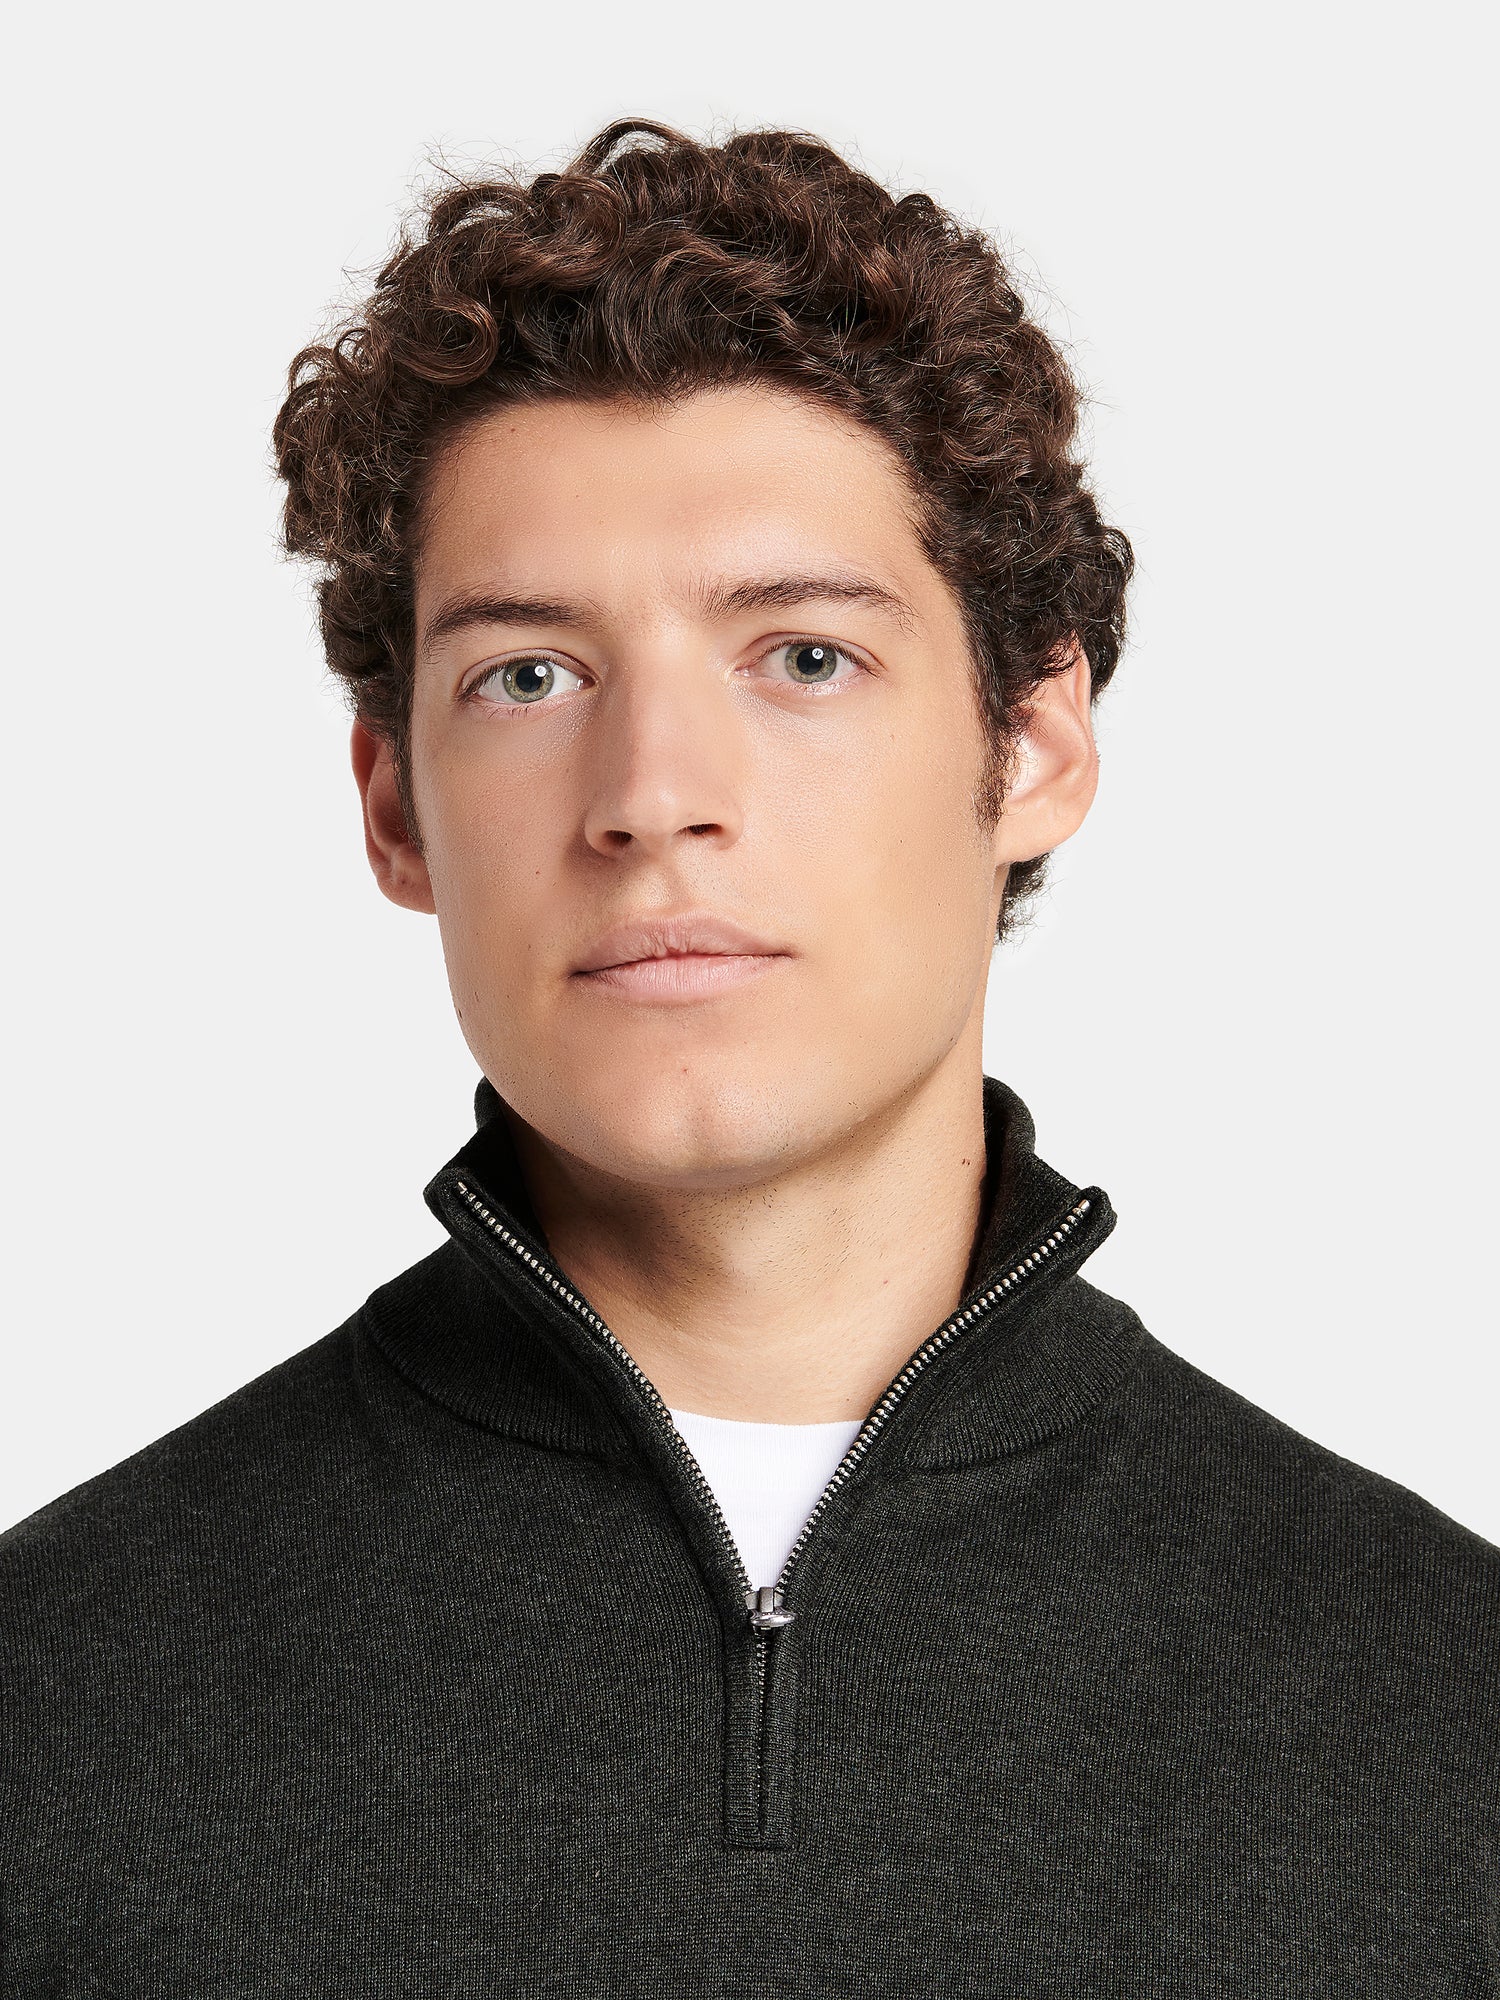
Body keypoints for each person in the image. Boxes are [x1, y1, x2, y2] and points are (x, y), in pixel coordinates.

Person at [1, 118, 1494, 1994]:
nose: (652, 797)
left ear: (1033, 745)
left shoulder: (1447, 1713)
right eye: (527, 677)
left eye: (801, 657)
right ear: (394, 806)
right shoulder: (49, 1707)